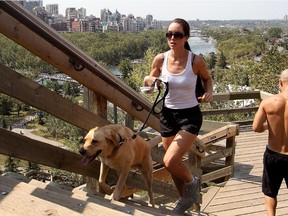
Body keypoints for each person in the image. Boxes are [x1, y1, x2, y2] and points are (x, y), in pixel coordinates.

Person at [143, 18, 213, 214]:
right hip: (167, 115)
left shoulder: (195, 60)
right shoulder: (160, 59)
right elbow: (150, 84)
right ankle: (184, 202)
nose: (172, 38)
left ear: (186, 38)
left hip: (189, 116)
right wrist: (149, 81)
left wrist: (210, 92)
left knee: (170, 161)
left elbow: (207, 79)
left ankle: (192, 182)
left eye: (177, 34)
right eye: (169, 34)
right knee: (173, 165)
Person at [253, 69, 288, 216]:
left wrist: (270, 126)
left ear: (281, 83)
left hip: (273, 154)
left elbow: (256, 127)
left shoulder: (268, 102)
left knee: (270, 191)